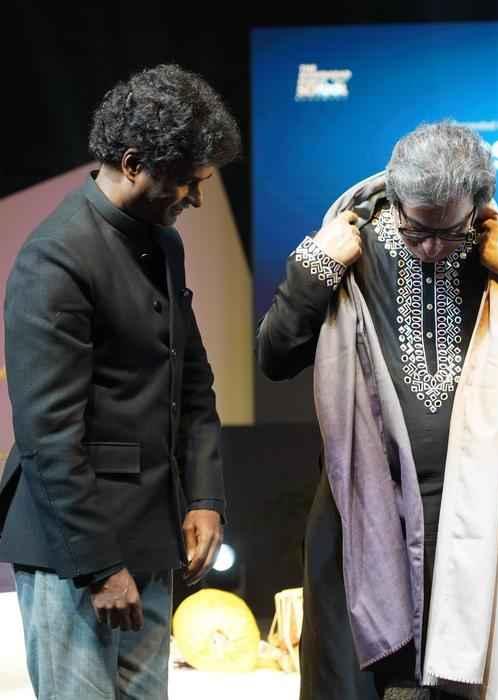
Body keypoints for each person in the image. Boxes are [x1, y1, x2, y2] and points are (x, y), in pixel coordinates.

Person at [257, 121, 498, 699]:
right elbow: (274, 358)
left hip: (478, 517)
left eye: (449, 232)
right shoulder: (348, 241)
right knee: (358, 682)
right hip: (362, 510)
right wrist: (315, 271)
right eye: (417, 229)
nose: (432, 246)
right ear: (395, 198)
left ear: (477, 206)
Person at [0, 64, 240, 698]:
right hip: (75, 554)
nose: (196, 200)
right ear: (134, 164)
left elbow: (192, 382)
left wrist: (205, 497)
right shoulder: (56, 257)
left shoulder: (163, 244)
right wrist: (100, 566)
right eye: (188, 182)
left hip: (151, 539)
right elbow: (48, 436)